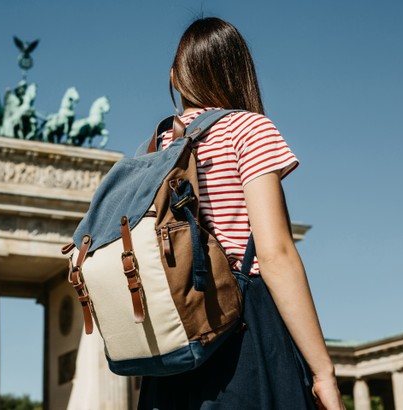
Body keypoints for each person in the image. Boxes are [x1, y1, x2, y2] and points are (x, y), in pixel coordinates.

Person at [137, 18, 345, 410]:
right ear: (238, 71)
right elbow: (275, 254)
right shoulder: (248, 129)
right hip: (242, 335)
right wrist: (324, 373)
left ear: (176, 77)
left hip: (175, 345)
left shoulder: (158, 146)